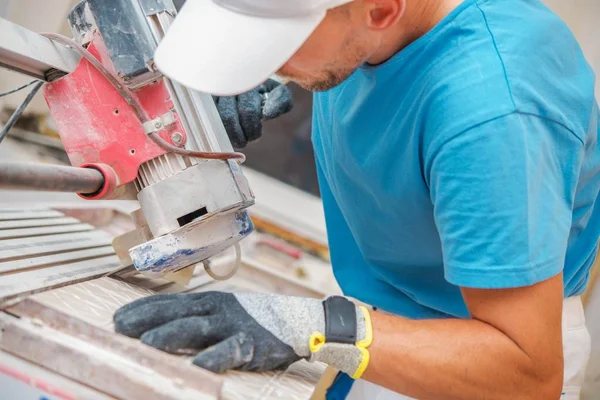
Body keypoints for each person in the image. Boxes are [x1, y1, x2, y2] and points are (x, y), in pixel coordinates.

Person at [113, 0, 600, 398]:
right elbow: (358, 60)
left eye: (281, 42)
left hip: (478, 363)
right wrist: (255, 66)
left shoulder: (493, 114)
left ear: (383, 10)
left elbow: (527, 371)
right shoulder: (378, 26)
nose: (274, 60)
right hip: (385, 320)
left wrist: (318, 326)